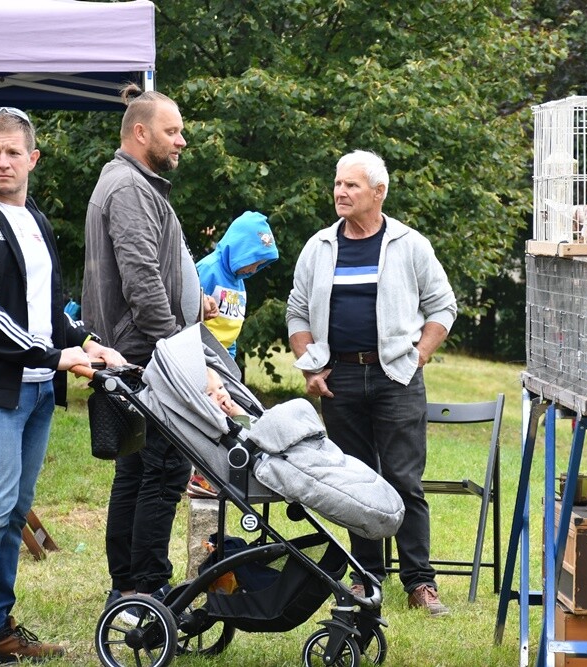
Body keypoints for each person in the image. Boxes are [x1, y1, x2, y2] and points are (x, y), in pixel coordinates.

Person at [0, 106, 125, 667]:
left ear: (32, 159)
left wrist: (84, 342)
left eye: (13, 151)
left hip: (36, 391)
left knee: (12, 515)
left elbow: (45, 313)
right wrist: (54, 354)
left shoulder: (35, 221)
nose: (2, 161)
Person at [286, 149, 457, 616]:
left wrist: (420, 354)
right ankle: (366, 579)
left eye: (351, 185)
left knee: (404, 480)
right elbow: (297, 310)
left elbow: (444, 306)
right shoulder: (319, 246)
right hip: (338, 378)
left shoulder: (409, 244)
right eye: (338, 183)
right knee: (356, 482)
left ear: (378, 193)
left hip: (395, 378)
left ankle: (420, 583)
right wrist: (309, 365)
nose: (340, 192)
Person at [83, 84, 218, 612]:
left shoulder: (133, 182)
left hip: (138, 353)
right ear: (141, 133)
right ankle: (146, 589)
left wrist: (195, 298)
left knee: (138, 471)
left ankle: (129, 588)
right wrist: (180, 358)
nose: (182, 140)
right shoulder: (131, 188)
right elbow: (141, 282)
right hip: (146, 359)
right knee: (161, 474)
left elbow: (153, 272)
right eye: (172, 130)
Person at [196, 210, 279, 359]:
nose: (254, 270)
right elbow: (187, 319)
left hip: (223, 361)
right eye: (252, 262)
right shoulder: (208, 270)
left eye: (259, 265)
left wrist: (230, 363)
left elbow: (230, 332)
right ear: (239, 250)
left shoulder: (239, 283)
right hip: (200, 359)